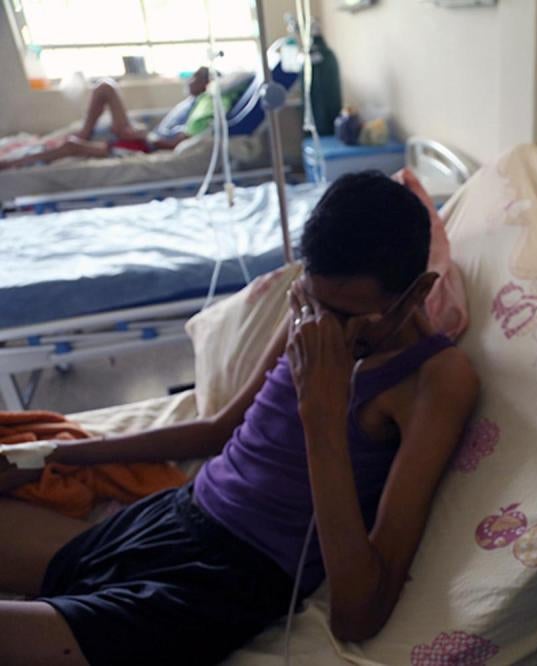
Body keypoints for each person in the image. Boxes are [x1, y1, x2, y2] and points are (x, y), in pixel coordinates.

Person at [0, 171, 480, 665]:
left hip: (229, 578)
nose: (325, 332)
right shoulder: (310, 312)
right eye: (315, 305)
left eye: (351, 320)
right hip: (178, 514)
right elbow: (219, 429)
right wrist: (52, 454)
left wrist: (322, 412)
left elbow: (358, 615)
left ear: (418, 293)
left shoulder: (435, 381)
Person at [0, 67, 225, 171]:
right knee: (105, 88)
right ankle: (84, 133)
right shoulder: (192, 102)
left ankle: (11, 163)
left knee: (71, 146)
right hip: (143, 137)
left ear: (206, 82)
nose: (189, 80)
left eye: (195, 76)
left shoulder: (206, 106)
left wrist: (147, 136)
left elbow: (178, 144)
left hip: (143, 146)